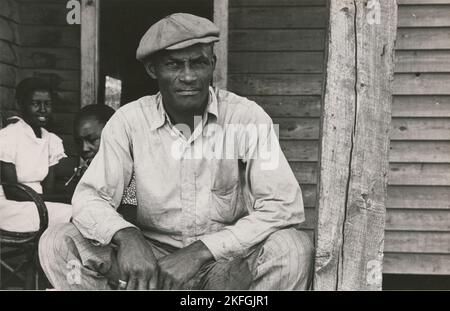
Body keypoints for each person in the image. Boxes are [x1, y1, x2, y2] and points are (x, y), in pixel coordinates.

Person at [38, 13, 314, 290]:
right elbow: (89, 197)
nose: (188, 76)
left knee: (292, 249)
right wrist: (126, 236)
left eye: (198, 63)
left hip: (227, 261)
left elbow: (283, 206)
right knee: (59, 241)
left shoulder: (248, 118)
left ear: (213, 65)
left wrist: (201, 251)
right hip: (152, 261)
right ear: (152, 70)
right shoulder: (129, 122)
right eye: (173, 65)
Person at [0, 77, 72, 233]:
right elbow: (11, 191)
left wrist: (60, 199)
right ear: (21, 105)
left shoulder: (51, 140)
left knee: (79, 211)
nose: (43, 109)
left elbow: (49, 188)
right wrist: (63, 200)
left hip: (38, 203)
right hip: (10, 207)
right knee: (73, 214)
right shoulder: (7, 137)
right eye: (35, 104)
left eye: (48, 104)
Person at [66, 104, 137, 215]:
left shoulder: (132, 175)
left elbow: (129, 216)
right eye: (79, 142)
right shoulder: (86, 172)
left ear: (113, 135)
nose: (84, 148)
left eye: (92, 139)